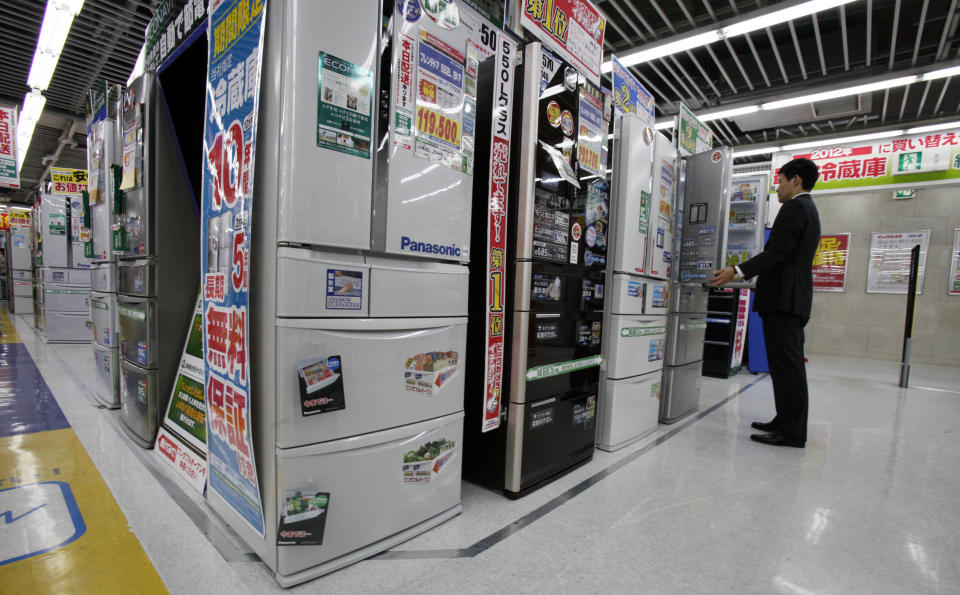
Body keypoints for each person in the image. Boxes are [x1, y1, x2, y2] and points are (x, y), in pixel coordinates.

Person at [709, 157, 821, 448]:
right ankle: (784, 420)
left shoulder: (795, 207)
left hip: (785, 300)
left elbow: (778, 252)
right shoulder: (807, 208)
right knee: (784, 366)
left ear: (795, 179)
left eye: (781, 180)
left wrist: (737, 270)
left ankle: (792, 432)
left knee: (788, 367)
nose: (778, 187)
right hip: (790, 298)